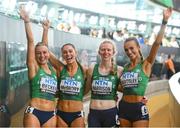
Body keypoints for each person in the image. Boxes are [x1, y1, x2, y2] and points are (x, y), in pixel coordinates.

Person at [118, 8, 172, 127]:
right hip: (123, 108)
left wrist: (164, 21)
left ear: (138, 48)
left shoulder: (146, 64)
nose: (129, 51)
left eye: (132, 48)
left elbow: (156, 44)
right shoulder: (125, 68)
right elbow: (122, 88)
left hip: (139, 109)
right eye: (126, 49)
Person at [42, 20, 86, 127]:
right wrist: (46, 30)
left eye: (70, 51)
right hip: (61, 113)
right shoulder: (61, 68)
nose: (68, 54)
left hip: (77, 114)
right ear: (62, 55)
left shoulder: (84, 70)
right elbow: (45, 48)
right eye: (65, 52)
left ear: (75, 53)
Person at [19, 7, 57, 127]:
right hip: (34, 112)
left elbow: (44, 46)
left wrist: (45, 30)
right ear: (34, 55)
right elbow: (31, 41)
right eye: (38, 53)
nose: (42, 55)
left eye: (45, 53)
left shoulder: (53, 71)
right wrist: (26, 21)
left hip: (51, 114)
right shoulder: (34, 68)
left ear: (48, 54)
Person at [84, 39, 123, 127]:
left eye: (109, 50)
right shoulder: (92, 68)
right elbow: (86, 90)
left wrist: (140, 97)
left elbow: (127, 89)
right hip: (94, 113)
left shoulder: (119, 70)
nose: (106, 52)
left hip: (111, 112)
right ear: (99, 52)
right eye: (103, 49)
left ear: (113, 52)